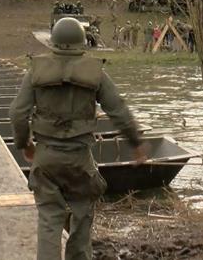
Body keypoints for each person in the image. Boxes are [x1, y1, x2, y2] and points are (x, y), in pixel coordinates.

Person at [9, 17, 147, 260]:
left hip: (46, 157)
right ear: (82, 43)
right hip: (80, 159)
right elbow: (119, 111)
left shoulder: (35, 72)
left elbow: (18, 113)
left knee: (49, 219)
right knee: (82, 217)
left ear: (53, 42)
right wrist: (135, 144)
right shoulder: (96, 74)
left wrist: (25, 144)